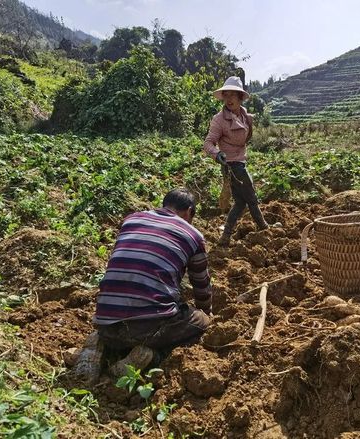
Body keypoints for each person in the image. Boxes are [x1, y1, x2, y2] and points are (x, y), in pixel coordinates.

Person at [90, 188, 212, 377]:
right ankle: (152, 356)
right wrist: (206, 311)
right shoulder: (193, 235)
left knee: (122, 330)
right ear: (189, 211)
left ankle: (99, 348)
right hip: (148, 329)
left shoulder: (132, 219)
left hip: (105, 322)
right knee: (201, 323)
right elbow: (201, 283)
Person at [203, 76, 271, 247]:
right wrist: (217, 154)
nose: (229, 99)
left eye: (234, 95)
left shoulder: (245, 116)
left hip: (240, 161)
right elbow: (208, 143)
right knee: (251, 198)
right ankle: (263, 227)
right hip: (231, 165)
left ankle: (225, 236)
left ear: (240, 97)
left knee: (241, 202)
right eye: (226, 95)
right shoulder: (219, 119)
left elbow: (246, 136)